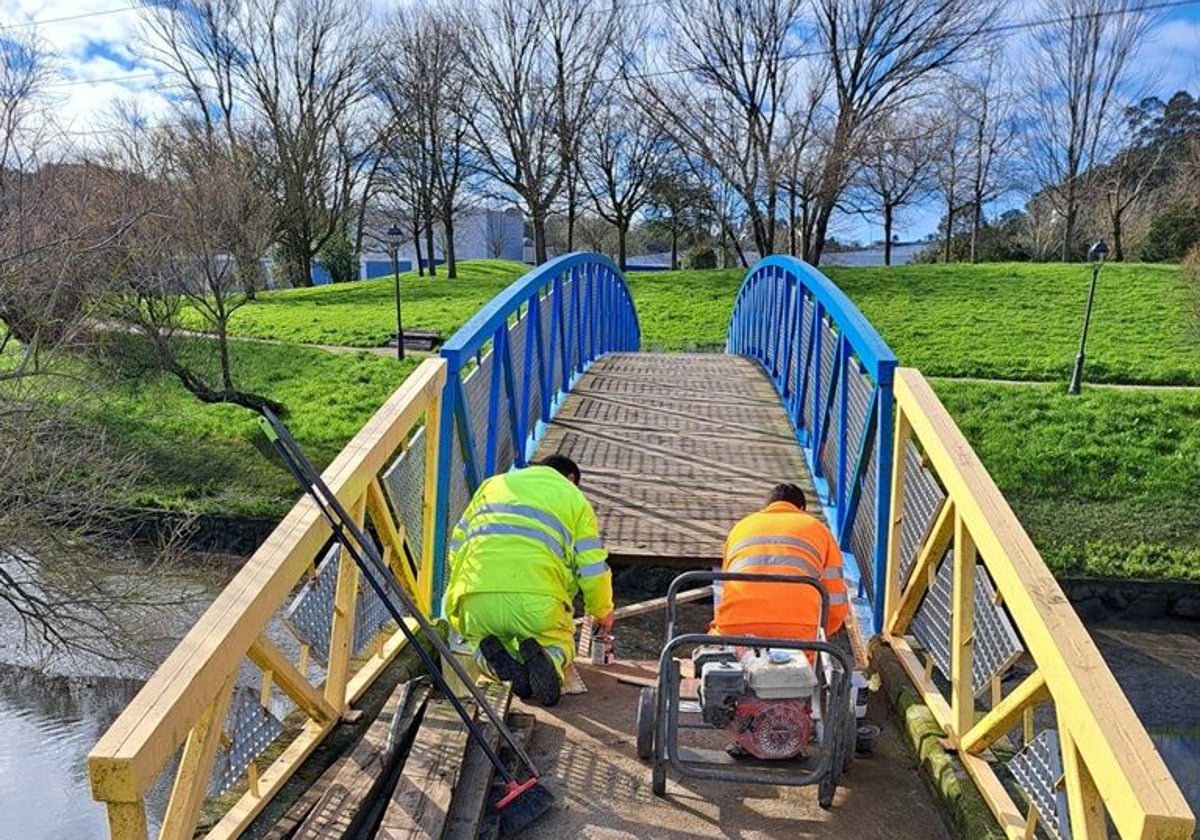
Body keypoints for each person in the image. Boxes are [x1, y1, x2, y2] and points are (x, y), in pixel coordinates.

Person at [444, 454, 614, 707]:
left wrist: (465, 594)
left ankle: (502, 669)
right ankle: (550, 662)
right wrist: (602, 611)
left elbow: (456, 548)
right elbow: (592, 568)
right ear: (570, 479)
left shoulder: (492, 485)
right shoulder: (573, 497)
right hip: (537, 602)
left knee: (479, 641)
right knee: (558, 644)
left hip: (476, 596)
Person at [711, 483, 848, 641]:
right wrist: (822, 630)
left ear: (766, 507)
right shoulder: (819, 529)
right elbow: (835, 599)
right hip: (800, 630)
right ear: (801, 508)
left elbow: (726, 585)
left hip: (735, 627)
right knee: (807, 662)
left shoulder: (740, 528)